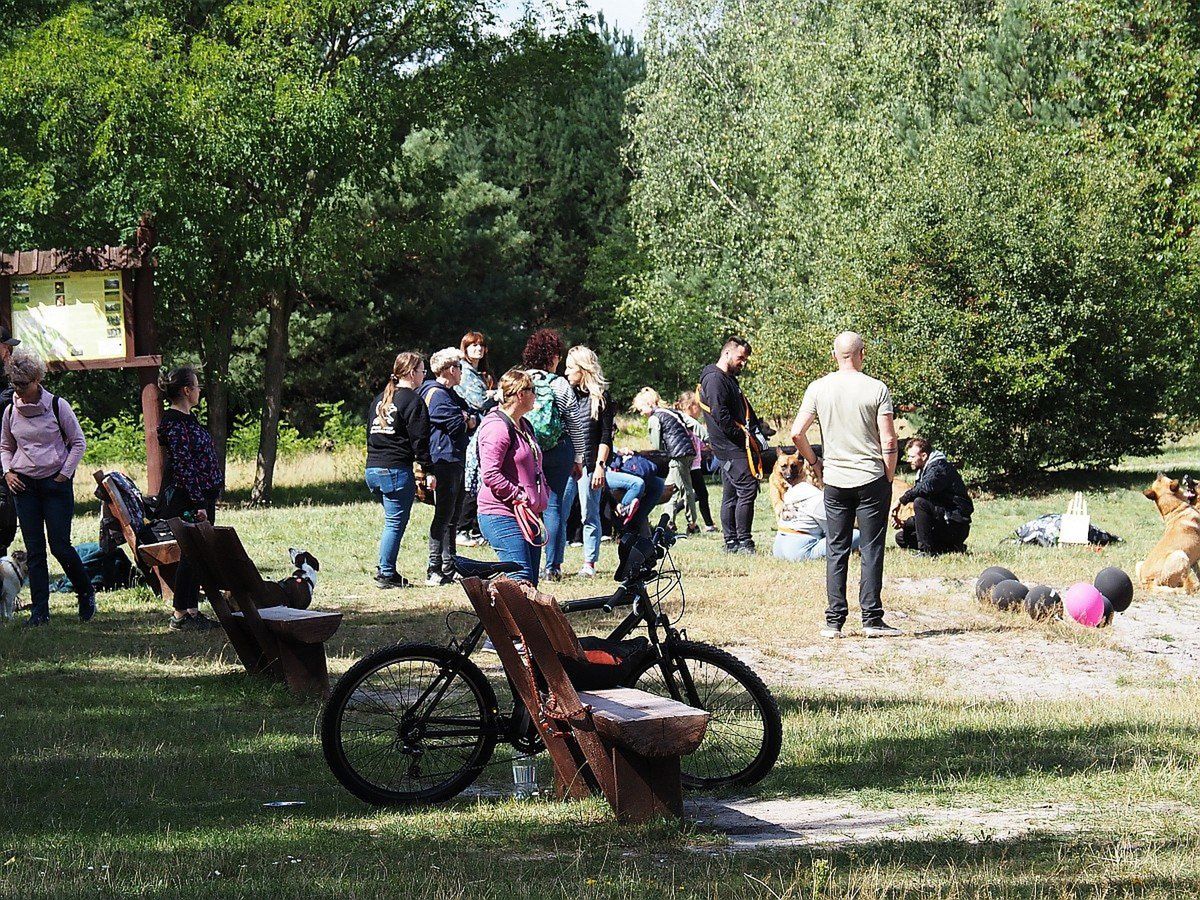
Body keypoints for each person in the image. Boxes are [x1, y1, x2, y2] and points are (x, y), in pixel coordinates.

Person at [791, 332, 901, 639]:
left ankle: (834, 621)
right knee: (871, 548)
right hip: (871, 476)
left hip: (836, 480)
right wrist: (888, 474)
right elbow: (889, 438)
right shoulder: (876, 388)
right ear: (862, 353)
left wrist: (815, 463)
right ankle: (871, 618)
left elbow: (796, 432)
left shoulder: (818, 387)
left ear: (835, 355)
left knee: (835, 547)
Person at [0, 349, 93, 626]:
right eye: (15, 384)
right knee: (35, 550)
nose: (19, 390)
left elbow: (78, 442)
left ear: (37, 379)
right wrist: (7, 472)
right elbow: (5, 446)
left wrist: (64, 474)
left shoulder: (57, 405)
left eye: (24, 384)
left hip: (55, 483)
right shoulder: (9, 411)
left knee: (60, 546)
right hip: (24, 485)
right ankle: (40, 610)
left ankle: (85, 592)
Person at [157, 366, 225, 630]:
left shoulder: (187, 419)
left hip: (201, 497)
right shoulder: (173, 423)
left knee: (198, 553)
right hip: (189, 500)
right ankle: (180, 614)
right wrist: (198, 504)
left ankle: (192, 611)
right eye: (196, 386)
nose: (199, 391)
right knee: (192, 552)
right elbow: (184, 466)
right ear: (186, 390)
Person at [366, 351, 436, 589]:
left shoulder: (380, 399)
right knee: (394, 524)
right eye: (422, 371)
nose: (424, 375)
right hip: (395, 471)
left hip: (373, 469)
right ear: (411, 373)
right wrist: (429, 470)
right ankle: (386, 573)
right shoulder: (413, 401)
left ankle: (387, 568)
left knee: (391, 522)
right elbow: (420, 440)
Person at [522, 328, 586, 581]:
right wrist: (579, 458)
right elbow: (574, 423)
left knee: (527, 503)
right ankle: (552, 566)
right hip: (558, 451)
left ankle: (528, 558)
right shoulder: (559, 384)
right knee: (553, 506)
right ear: (552, 356)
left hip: (526, 449)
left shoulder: (520, 379)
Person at [476, 368, 549, 584]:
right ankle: (501, 617)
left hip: (528, 515)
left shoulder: (525, 425)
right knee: (520, 579)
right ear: (520, 394)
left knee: (530, 583)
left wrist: (543, 492)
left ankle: (520, 619)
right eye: (533, 390)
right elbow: (490, 474)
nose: (536, 395)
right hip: (501, 514)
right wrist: (519, 495)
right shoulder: (497, 427)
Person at [698, 337, 770, 554]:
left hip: (733, 445)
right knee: (747, 489)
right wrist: (744, 438)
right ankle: (744, 543)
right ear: (727, 353)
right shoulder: (715, 379)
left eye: (745, 359)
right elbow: (721, 415)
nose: (743, 363)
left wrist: (757, 430)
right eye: (741, 358)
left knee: (732, 493)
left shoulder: (728, 379)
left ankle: (732, 542)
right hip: (729, 446)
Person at [419, 348, 477, 585]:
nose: (462, 372)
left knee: (453, 515)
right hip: (443, 460)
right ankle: (434, 568)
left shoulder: (451, 395)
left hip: (455, 458)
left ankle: (449, 565)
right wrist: (464, 418)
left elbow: (472, 416)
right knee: (443, 515)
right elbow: (456, 424)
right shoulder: (436, 394)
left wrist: (466, 417)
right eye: (460, 368)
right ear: (451, 369)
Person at [564, 346, 613, 577]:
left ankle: (589, 562)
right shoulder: (564, 395)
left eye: (570, 368)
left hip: (590, 465)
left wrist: (600, 467)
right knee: (558, 513)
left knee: (589, 514)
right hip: (565, 463)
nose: (566, 372)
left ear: (583, 370)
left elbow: (605, 436)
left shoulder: (601, 398)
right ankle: (552, 563)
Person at [633, 387, 699, 534]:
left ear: (649, 403)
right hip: (686, 452)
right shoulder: (670, 412)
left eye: (641, 409)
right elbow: (695, 425)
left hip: (678, 455)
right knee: (671, 488)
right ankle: (669, 522)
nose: (641, 413)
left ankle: (691, 524)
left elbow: (656, 445)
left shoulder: (655, 417)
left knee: (684, 490)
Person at [892, 437, 973, 555]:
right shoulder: (924, 471)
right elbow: (929, 512)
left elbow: (925, 488)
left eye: (912, 457)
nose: (908, 460)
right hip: (942, 521)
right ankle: (950, 548)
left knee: (920, 502)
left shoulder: (939, 468)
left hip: (954, 525)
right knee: (902, 537)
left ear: (924, 456)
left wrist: (901, 500)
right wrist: (905, 524)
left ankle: (926, 551)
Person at [773, 460, 861, 560]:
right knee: (857, 535)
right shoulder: (818, 498)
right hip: (799, 550)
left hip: (778, 546)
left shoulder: (792, 490)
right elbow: (832, 530)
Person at [455, 331, 495, 547]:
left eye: (481, 346)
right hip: (470, 435)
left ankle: (473, 528)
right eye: (473, 346)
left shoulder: (480, 372)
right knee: (471, 480)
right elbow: (478, 401)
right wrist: (496, 396)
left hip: (481, 431)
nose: (478, 349)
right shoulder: (465, 372)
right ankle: (462, 528)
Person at [676, 390, 717, 532]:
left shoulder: (693, 423)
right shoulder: (684, 422)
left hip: (695, 463)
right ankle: (708, 524)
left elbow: (698, 441)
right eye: (698, 406)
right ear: (690, 406)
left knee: (697, 493)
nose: (699, 410)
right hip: (690, 464)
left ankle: (675, 512)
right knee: (700, 494)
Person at [0, 327, 22, 557]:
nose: (9, 350)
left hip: (7, 453)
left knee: (7, 516)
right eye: (5, 345)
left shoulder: (9, 374)